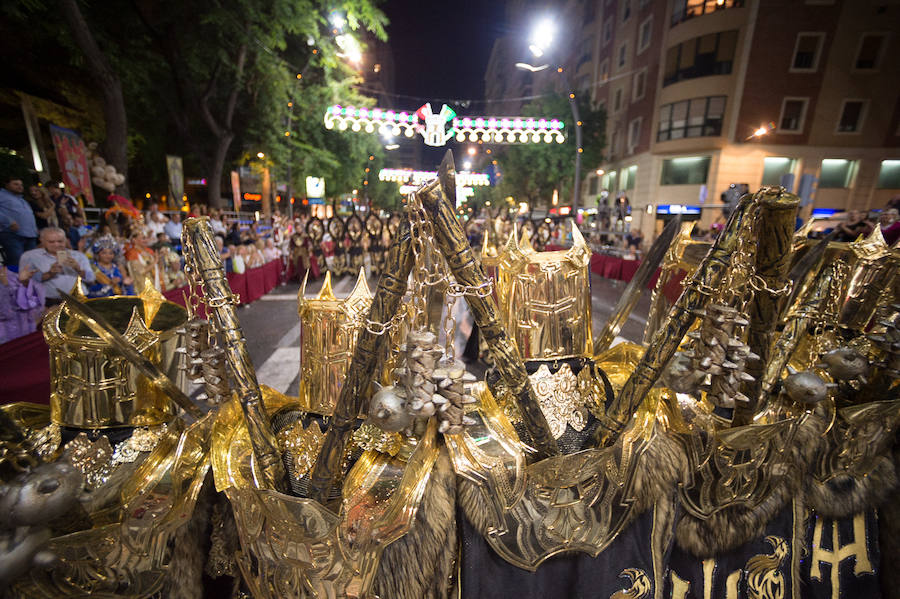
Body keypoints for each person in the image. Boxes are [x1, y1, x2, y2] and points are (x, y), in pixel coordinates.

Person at [19, 227, 94, 305]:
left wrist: (78, 269)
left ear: (66, 240)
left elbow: (91, 279)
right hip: (50, 302)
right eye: (51, 242)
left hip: (80, 300)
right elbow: (25, 282)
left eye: (60, 241)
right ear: (42, 241)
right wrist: (49, 274)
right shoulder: (30, 256)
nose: (56, 244)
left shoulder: (79, 256)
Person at [0, 255, 44, 344]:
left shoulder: (10, 274)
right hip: (5, 339)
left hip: (25, 334)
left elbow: (30, 305)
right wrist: (5, 286)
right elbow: (6, 313)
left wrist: (24, 283)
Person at [0, 177, 39, 267]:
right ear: (7, 185)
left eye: (21, 185)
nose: (20, 187)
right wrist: (8, 222)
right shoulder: (2, 195)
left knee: (31, 262)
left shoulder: (21, 199)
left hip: (30, 234)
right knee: (18, 262)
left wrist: (34, 228)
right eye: (16, 184)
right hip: (12, 235)